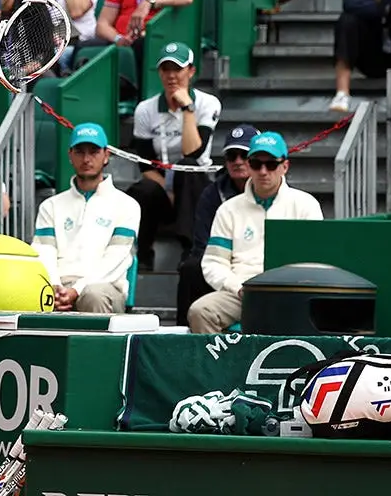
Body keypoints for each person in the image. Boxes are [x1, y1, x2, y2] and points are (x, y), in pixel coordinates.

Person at [189, 131, 323, 333]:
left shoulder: (305, 205)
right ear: (249, 166)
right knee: (200, 311)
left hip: (292, 293)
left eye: (271, 164)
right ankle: (219, 365)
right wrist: (238, 288)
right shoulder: (228, 208)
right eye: (255, 164)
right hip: (241, 293)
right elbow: (214, 262)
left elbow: (315, 259)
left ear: (284, 166)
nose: (263, 171)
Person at [126, 42, 221, 272]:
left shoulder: (208, 103)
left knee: (186, 166)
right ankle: (144, 256)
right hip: (163, 188)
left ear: (191, 71)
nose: (171, 76)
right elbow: (145, 164)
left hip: (196, 186)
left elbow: (193, 152)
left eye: (177, 69)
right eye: (165, 69)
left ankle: (191, 251)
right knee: (143, 189)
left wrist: (188, 109)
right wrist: (168, 192)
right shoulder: (145, 110)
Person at [32, 122, 140, 314]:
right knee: (34, 294)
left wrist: (77, 289)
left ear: (106, 156)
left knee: (92, 294)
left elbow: (115, 260)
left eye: (94, 151)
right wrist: (55, 288)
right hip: (59, 285)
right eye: (80, 151)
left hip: (105, 286)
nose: (87, 158)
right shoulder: (51, 205)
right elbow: (43, 252)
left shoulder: (127, 205)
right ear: (70, 156)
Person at [177, 123, 256, 327]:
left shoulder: (284, 199)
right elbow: (202, 244)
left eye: (243, 155)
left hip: (256, 275)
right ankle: (182, 333)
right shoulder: (212, 194)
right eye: (231, 156)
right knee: (191, 267)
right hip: (221, 267)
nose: (237, 161)